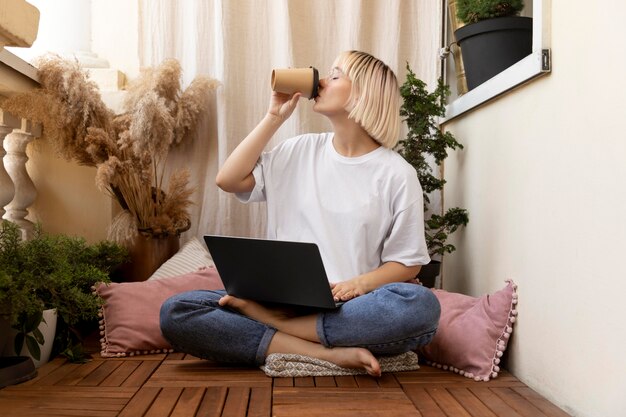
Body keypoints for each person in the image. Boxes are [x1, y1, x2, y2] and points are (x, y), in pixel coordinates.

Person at [160, 50, 440, 377]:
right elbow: (229, 180)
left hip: (347, 310)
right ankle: (328, 353)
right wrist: (274, 117)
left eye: (335, 75)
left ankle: (278, 330)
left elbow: (409, 262)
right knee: (177, 311)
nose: (320, 81)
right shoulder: (299, 150)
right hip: (273, 301)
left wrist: (359, 284)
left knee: (420, 306)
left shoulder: (396, 173)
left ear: (364, 93)